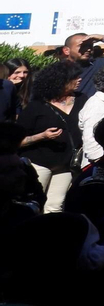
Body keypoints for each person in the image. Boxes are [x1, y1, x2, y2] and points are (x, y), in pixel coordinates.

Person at [16, 61, 82, 212]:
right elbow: (17, 140)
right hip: (39, 164)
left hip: (66, 165)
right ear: (60, 80)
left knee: (56, 207)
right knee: (32, 205)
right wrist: (41, 136)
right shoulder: (36, 106)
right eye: (75, 77)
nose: (80, 80)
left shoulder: (82, 100)